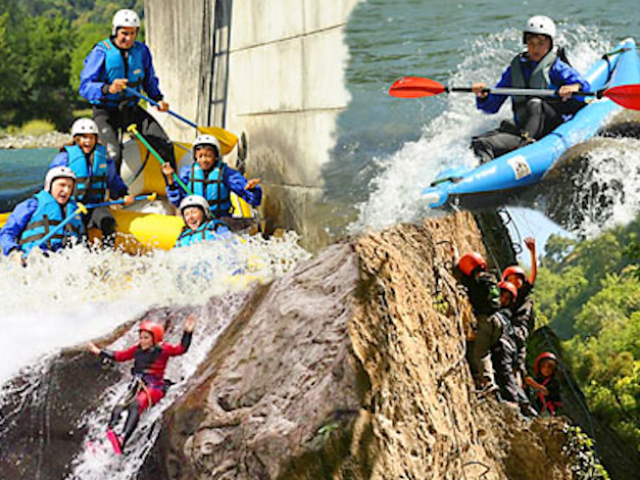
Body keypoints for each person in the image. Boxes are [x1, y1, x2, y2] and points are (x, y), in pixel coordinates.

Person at [470, 15, 590, 163]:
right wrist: (483, 96)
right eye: (531, 43)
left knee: (535, 104)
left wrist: (573, 87)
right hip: (524, 130)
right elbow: (492, 107)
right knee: (479, 142)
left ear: (550, 44)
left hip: (551, 125)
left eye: (541, 43)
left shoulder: (556, 67)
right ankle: (484, 174)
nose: (535, 48)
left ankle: (525, 149)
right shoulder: (515, 70)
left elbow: (584, 86)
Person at [79, 9, 175, 173]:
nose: (129, 38)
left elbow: (149, 80)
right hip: (106, 112)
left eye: (133, 33)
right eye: (124, 33)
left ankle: (174, 190)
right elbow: (85, 87)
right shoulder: (101, 52)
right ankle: (112, 195)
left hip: (131, 109)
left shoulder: (142, 51)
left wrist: (158, 99)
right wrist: (108, 88)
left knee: (164, 145)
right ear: (115, 31)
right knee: (113, 155)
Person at [87, 315, 196, 454]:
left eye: (146, 338)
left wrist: (187, 332)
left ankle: (122, 439)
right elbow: (120, 356)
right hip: (137, 385)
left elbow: (181, 349)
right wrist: (99, 351)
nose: (142, 341)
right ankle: (104, 442)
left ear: (154, 339)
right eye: (141, 337)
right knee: (117, 409)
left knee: (135, 406)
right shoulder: (137, 349)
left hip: (154, 387)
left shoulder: (162, 350)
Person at [49, 118, 134, 247]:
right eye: (84, 138)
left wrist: (124, 194)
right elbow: (52, 184)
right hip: (71, 206)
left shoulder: (103, 159)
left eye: (91, 137)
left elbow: (113, 181)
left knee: (108, 222)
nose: (88, 141)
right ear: (76, 139)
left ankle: (108, 253)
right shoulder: (64, 158)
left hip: (94, 206)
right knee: (78, 231)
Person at [162, 134, 262, 220]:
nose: (204, 160)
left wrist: (252, 189)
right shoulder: (187, 173)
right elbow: (176, 200)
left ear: (216, 156)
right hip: (196, 221)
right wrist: (170, 178)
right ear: (195, 157)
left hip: (220, 218)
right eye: (200, 156)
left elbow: (254, 200)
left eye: (208, 156)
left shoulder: (226, 173)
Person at [0, 167, 84, 265]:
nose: (66, 190)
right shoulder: (32, 205)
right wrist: (13, 252)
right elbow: (7, 232)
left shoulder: (75, 211)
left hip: (62, 261)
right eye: (62, 185)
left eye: (70, 187)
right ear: (50, 185)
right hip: (34, 259)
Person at [471, 280, 532, 414]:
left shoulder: (498, 308)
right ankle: (522, 403)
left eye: (507, 298)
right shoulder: (507, 315)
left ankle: (489, 384)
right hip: (503, 341)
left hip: (496, 333)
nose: (503, 300)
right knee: (505, 372)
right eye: (503, 296)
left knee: (483, 354)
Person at [501, 237, 537, 384]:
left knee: (517, 362)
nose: (516, 282)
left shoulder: (522, 294)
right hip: (508, 329)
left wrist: (533, 253)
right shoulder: (505, 296)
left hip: (518, 329)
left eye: (518, 279)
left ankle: (518, 386)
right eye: (512, 279)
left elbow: (533, 276)